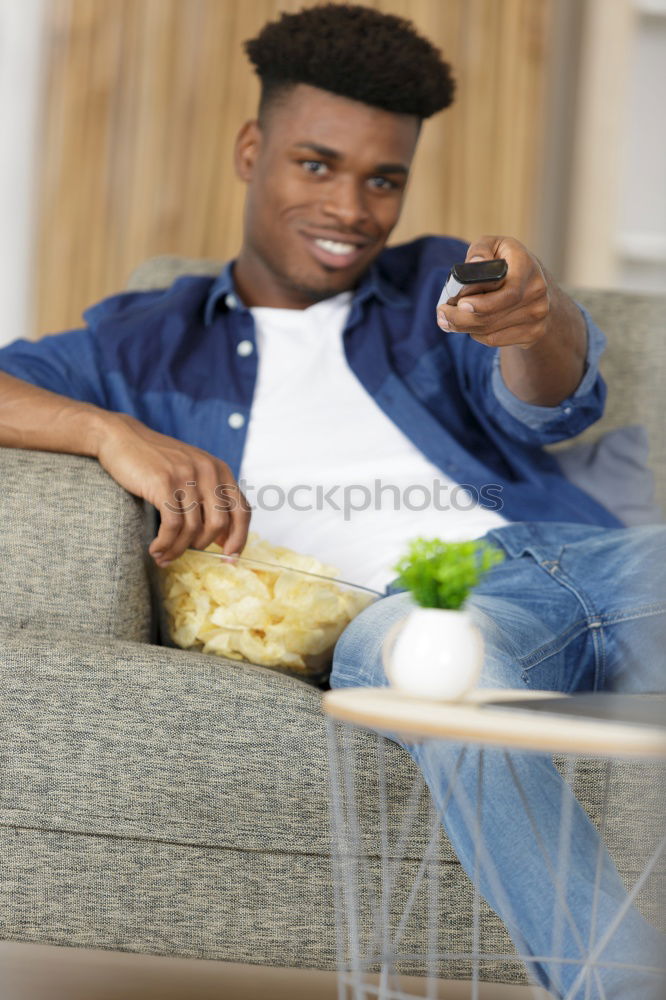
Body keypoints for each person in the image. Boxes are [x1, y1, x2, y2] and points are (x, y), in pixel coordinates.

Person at [0, 5, 663, 997]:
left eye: (383, 178)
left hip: (588, 555)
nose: (353, 208)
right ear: (252, 149)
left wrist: (540, 315)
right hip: (431, 608)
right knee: (438, 673)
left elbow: (548, 402)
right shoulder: (143, 342)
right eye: (317, 164)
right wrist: (110, 430)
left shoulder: (434, 286)